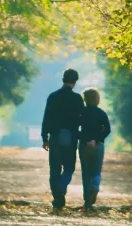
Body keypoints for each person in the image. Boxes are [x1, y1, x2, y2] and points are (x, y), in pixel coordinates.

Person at [40, 68, 85, 209]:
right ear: (75, 81)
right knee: (69, 167)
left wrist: (44, 137)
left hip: (55, 137)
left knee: (54, 169)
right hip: (71, 138)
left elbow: (46, 117)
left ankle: (58, 197)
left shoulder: (53, 96)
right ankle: (61, 187)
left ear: (63, 79)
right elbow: (81, 119)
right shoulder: (77, 99)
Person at [78, 87, 111, 210]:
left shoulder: (81, 113)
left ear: (85, 99)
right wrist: (96, 140)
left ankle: (87, 201)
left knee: (86, 173)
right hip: (98, 146)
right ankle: (95, 186)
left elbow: (76, 128)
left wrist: (86, 140)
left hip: (84, 146)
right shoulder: (101, 113)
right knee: (96, 171)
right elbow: (107, 129)